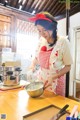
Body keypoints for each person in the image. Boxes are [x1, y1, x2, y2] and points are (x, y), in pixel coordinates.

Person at [27, 12, 73, 96]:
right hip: (41, 80)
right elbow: (36, 58)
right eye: (39, 30)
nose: (42, 33)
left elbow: (68, 66)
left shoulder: (63, 42)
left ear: (52, 27)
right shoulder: (41, 41)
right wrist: (32, 66)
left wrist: (54, 76)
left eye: (44, 30)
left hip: (56, 82)